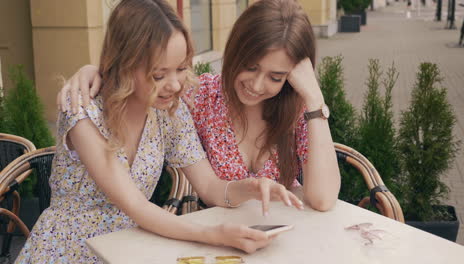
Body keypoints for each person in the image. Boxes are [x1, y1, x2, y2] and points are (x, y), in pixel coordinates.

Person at [16, 0, 303, 262]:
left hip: (133, 245)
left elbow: (211, 188)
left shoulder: (168, 112)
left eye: (180, 68)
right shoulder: (83, 111)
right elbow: (135, 205)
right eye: (159, 74)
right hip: (69, 250)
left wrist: (250, 188)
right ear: (125, 64)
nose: (176, 85)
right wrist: (214, 234)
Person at [58, 0, 340, 214]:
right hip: (220, 237)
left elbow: (323, 199)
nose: (256, 84)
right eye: (250, 66)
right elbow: (149, 83)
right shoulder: (201, 95)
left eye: (275, 77)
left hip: (285, 234)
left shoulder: (298, 108)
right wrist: (98, 71)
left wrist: (315, 102)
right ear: (234, 52)